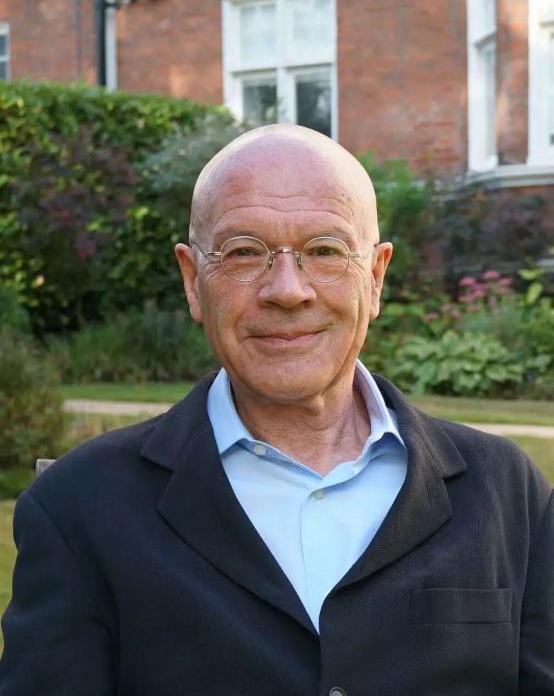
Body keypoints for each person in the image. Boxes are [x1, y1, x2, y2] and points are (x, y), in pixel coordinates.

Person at [0, 124, 552, 696]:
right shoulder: (79, 509)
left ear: (375, 277)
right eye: (244, 252)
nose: (287, 290)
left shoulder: (507, 494)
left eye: (325, 251)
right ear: (193, 281)